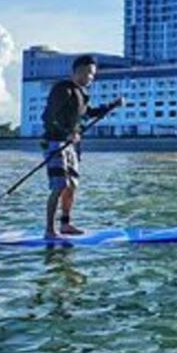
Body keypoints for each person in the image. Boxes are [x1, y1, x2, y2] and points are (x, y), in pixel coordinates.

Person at [41, 54, 122, 238]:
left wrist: (113, 105)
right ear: (78, 71)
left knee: (72, 186)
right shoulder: (62, 89)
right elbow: (48, 118)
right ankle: (49, 230)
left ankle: (65, 224)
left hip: (71, 145)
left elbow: (90, 113)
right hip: (55, 142)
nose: (91, 78)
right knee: (59, 185)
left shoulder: (82, 94)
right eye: (89, 74)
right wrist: (67, 133)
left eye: (93, 75)